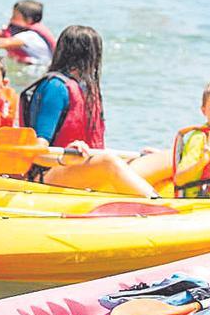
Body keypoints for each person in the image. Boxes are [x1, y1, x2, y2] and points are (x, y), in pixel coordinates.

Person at [19, 25, 167, 196]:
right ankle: (158, 204)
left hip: (86, 171)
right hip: (50, 174)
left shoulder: (86, 89)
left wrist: (140, 157)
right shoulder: (56, 88)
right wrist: (64, 157)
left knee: (164, 156)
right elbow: (36, 154)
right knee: (107, 161)